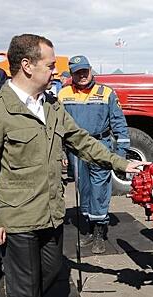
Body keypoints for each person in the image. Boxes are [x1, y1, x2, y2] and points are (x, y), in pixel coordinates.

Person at [0, 33, 146, 297]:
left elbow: (81, 140)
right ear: (26, 65)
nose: (55, 71)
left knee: (50, 270)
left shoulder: (50, 105)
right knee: (25, 285)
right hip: (18, 215)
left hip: (51, 211)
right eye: (50, 65)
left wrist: (121, 162)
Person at [58, 55, 130, 254]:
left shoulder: (106, 93)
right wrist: (61, 150)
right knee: (84, 190)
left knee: (100, 189)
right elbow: (58, 126)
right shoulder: (63, 94)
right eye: (77, 72)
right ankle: (88, 230)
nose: (82, 75)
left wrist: (120, 152)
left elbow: (119, 123)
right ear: (71, 74)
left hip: (101, 147)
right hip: (76, 150)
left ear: (90, 70)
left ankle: (99, 233)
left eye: (85, 71)